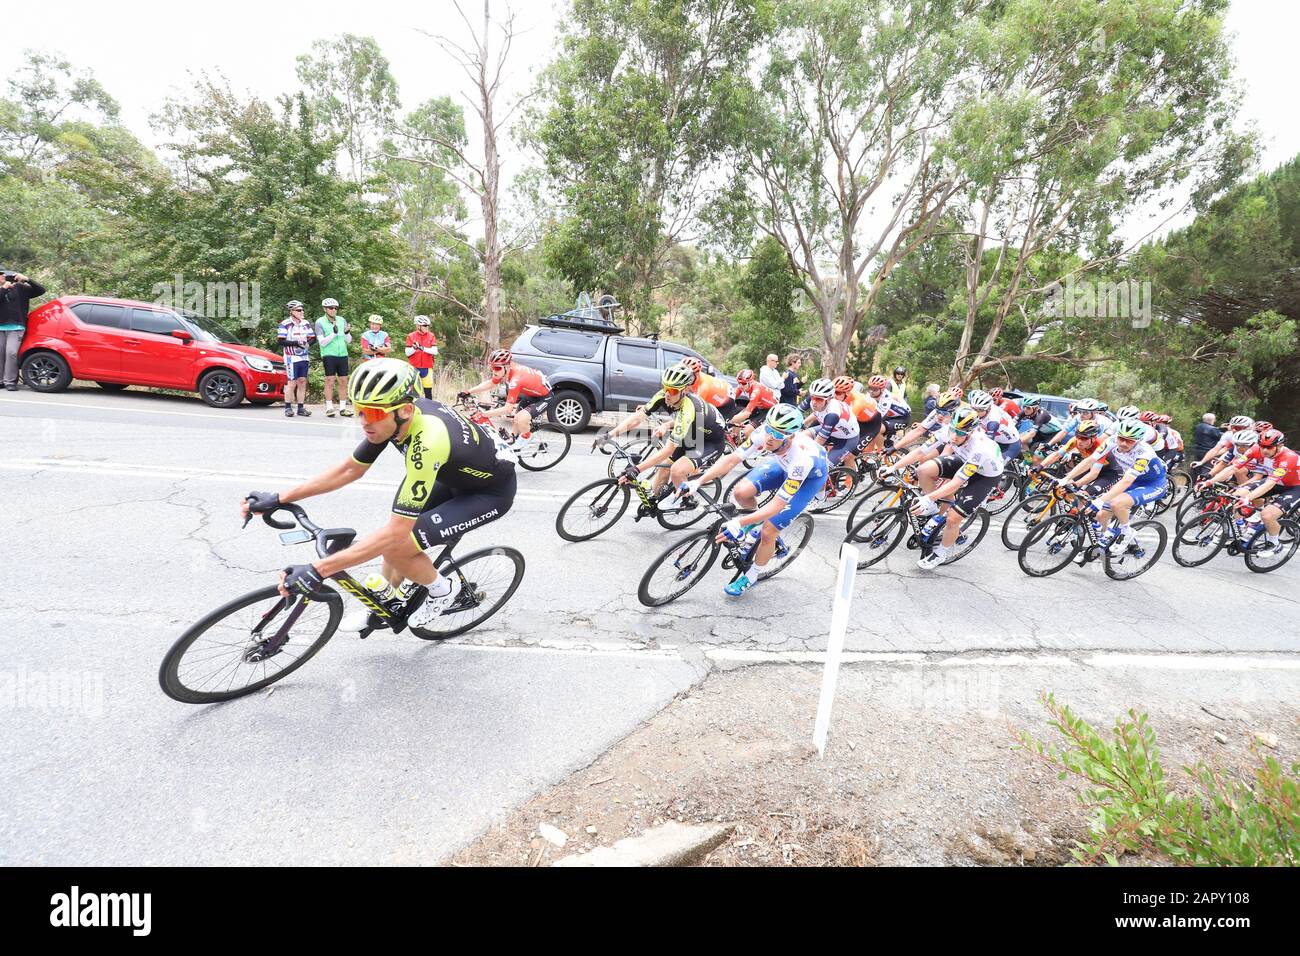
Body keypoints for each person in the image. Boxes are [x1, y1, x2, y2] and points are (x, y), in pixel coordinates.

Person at [243, 358, 517, 632]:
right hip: (453, 476)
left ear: (405, 411)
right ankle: (385, 604)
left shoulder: (428, 441)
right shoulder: (393, 418)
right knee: (393, 543)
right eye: (358, 410)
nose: (363, 422)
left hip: (489, 493)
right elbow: (349, 470)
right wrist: (279, 497)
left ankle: (443, 590)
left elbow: (396, 535)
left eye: (371, 414)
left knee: (397, 545)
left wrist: (318, 569)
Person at [682, 404, 828, 596]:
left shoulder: (801, 459)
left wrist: (739, 521)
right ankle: (755, 525)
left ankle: (751, 575)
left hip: (809, 478)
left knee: (769, 531)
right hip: (783, 465)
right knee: (741, 492)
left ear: (790, 437)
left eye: (776, 435)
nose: (769, 437)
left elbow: (777, 505)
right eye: (769, 429)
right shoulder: (762, 434)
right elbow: (731, 460)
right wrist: (698, 481)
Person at [880, 405, 1005, 570]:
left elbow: (956, 482)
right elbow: (920, 452)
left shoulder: (980, 447)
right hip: (964, 460)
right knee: (923, 469)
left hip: (985, 475)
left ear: (971, 432)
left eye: (960, 433)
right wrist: (893, 468)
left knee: (953, 518)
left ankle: (940, 553)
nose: (954, 436)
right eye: (953, 429)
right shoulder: (949, 431)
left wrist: (927, 497)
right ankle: (933, 509)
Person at [601, 362, 728, 500]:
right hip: (692, 432)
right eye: (665, 388)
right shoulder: (663, 396)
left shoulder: (689, 407)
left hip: (710, 441)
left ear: (684, 391)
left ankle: (686, 501)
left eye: (673, 391)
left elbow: (669, 449)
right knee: (664, 467)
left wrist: (637, 469)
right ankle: (654, 501)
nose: (667, 394)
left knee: (677, 471)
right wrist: (608, 435)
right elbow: (637, 419)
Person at [460, 348, 553, 448]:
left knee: (520, 418)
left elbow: (507, 409)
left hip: (544, 397)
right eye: (492, 367)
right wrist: (468, 391)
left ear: (507, 366)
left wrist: (484, 414)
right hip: (532, 394)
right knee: (515, 419)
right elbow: (491, 383)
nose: (494, 371)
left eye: (497, 368)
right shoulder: (506, 369)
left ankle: (527, 437)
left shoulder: (516, 379)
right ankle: (513, 439)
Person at [0, 270, 46, 391]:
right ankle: (1, 380)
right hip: (0, 327)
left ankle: (10, 381)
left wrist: (27, 279)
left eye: (4, 274)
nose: (3, 276)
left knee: (11, 353)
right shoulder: (2, 288)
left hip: (17, 327)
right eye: (1, 274)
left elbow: (41, 290)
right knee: (0, 353)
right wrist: (4, 289)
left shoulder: (21, 288)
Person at [315, 297, 353, 417]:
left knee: (343, 381)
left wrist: (347, 333)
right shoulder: (320, 322)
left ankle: (342, 408)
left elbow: (349, 341)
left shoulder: (342, 320)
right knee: (330, 380)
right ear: (325, 309)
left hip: (342, 353)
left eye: (335, 308)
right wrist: (333, 333)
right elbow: (322, 342)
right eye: (331, 308)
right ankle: (329, 407)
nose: (334, 310)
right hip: (329, 354)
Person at [277, 300, 315, 417]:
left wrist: (308, 344)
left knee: (302, 382)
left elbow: (312, 337)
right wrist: (296, 343)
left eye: (302, 309)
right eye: (299, 310)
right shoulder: (285, 324)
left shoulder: (305, 323)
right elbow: (281, 341)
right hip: (291, 358)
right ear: (292, 311)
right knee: (291, 383)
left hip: (304, 356)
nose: (302, 311)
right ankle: (288, 407)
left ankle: (301, 408)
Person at [405, 315, 439, 400]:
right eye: (425, 325)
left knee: (428, 392)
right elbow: (407, 353)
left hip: (427, 367)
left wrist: (422, 348)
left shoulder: (431, 336)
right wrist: (414, 348)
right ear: (418, 326)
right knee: (412, 392)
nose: (427, 327)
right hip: (414, 367)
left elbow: (435, 351)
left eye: (428, 325)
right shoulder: (411, 336)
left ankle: (429, 410)